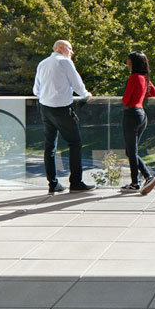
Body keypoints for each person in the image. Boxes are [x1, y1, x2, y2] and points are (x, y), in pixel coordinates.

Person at [33, 39, 95, 194]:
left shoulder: (42, 63)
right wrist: (86, 95)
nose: (72, 52)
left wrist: (47, 97)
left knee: (50, 146)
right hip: (61, 109)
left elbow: (36, 90)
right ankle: (75, 182)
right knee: (75, 143)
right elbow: (77, 84)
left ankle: (53, 184)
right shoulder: (65, 63)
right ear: (60, 48)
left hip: (45, 109)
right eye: (70, 48)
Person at [121, 51, 155, 194]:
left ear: (134, 63)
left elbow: (125, 99)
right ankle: (144, 178)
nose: (127, 64)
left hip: (131, 114)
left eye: (129, 61)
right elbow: (154, 92)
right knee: (130, 151)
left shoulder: (134, 77)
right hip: (142, 115)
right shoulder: (144, 77)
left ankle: (138, 181)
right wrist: (140, 96)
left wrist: (131, 99)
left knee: (131, 151)